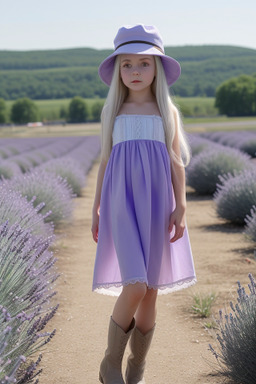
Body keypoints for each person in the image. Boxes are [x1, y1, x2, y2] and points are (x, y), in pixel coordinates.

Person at [91, 24, 196, 384]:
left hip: (157, 203)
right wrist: (96, 209)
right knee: (135, 284)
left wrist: (180, 205)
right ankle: (109, 365)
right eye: (127, 65)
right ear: (118, 71)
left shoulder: (166, 111)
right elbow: (105, 161)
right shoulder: (113, 112)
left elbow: (175, 162)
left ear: (158, 69)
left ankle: (136, 369)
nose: (135, 72)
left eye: (144, 64)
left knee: (151, 292)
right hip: (119, 202)